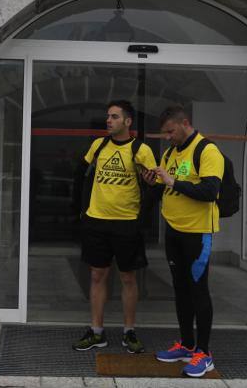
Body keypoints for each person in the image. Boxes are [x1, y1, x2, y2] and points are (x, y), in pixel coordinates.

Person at [142, 105, 223, 378]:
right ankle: (187, 345)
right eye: (165, 133)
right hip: (174, 231)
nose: (168, 137)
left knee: (198, 289)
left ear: (185, 123)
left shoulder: (207, 150)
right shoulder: (170, 153)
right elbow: (165, 187)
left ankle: (204, 353)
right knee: (180, 288)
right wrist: (153, 183)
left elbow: (210, 191)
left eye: (170, 131)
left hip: (198, 232)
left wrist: (173, 181)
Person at [72, 100, 157, 354]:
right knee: (97, 275)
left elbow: (155, 185)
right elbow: (80, 174)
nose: (108, 120)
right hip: (96, 221)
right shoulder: (98, 145)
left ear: (128, 121)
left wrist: (150, 185)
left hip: (127, 223)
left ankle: (129, 331)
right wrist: (81, 211)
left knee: (128, 278)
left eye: (114, 117)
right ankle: (96, 332)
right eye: (108, 116)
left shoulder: (141, 150)